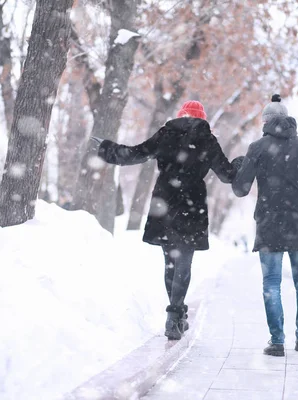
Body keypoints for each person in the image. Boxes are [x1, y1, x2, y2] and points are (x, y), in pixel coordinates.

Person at [97, 100, 240, 340]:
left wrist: (106, 149)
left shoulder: (166, 134)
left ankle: (176, 316)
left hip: (165, 201)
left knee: (170, 262)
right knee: (183, 261)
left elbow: (134, 154)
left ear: (180, 115)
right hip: (191, 205)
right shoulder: (207, 139)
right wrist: (240, 164)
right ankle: (175, 316)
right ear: (202, 118)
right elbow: (227, 175)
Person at [232, 94, 298, 356]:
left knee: (271, 284)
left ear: (265, 122)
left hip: (269, 226)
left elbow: (241, 189)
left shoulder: (257, 148)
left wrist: (240, 167)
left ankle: (277, 341)